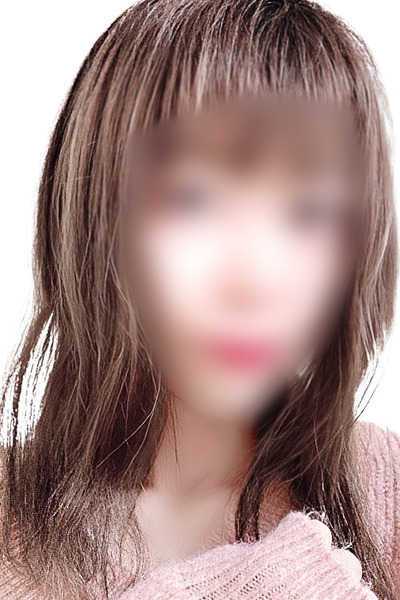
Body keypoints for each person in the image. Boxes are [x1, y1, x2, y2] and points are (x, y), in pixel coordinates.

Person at [0, 0, 399, 599]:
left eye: (312, 213)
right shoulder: (10, 519)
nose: (255, 277)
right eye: (191, 201)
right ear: (93, 215)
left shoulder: (385, 495)